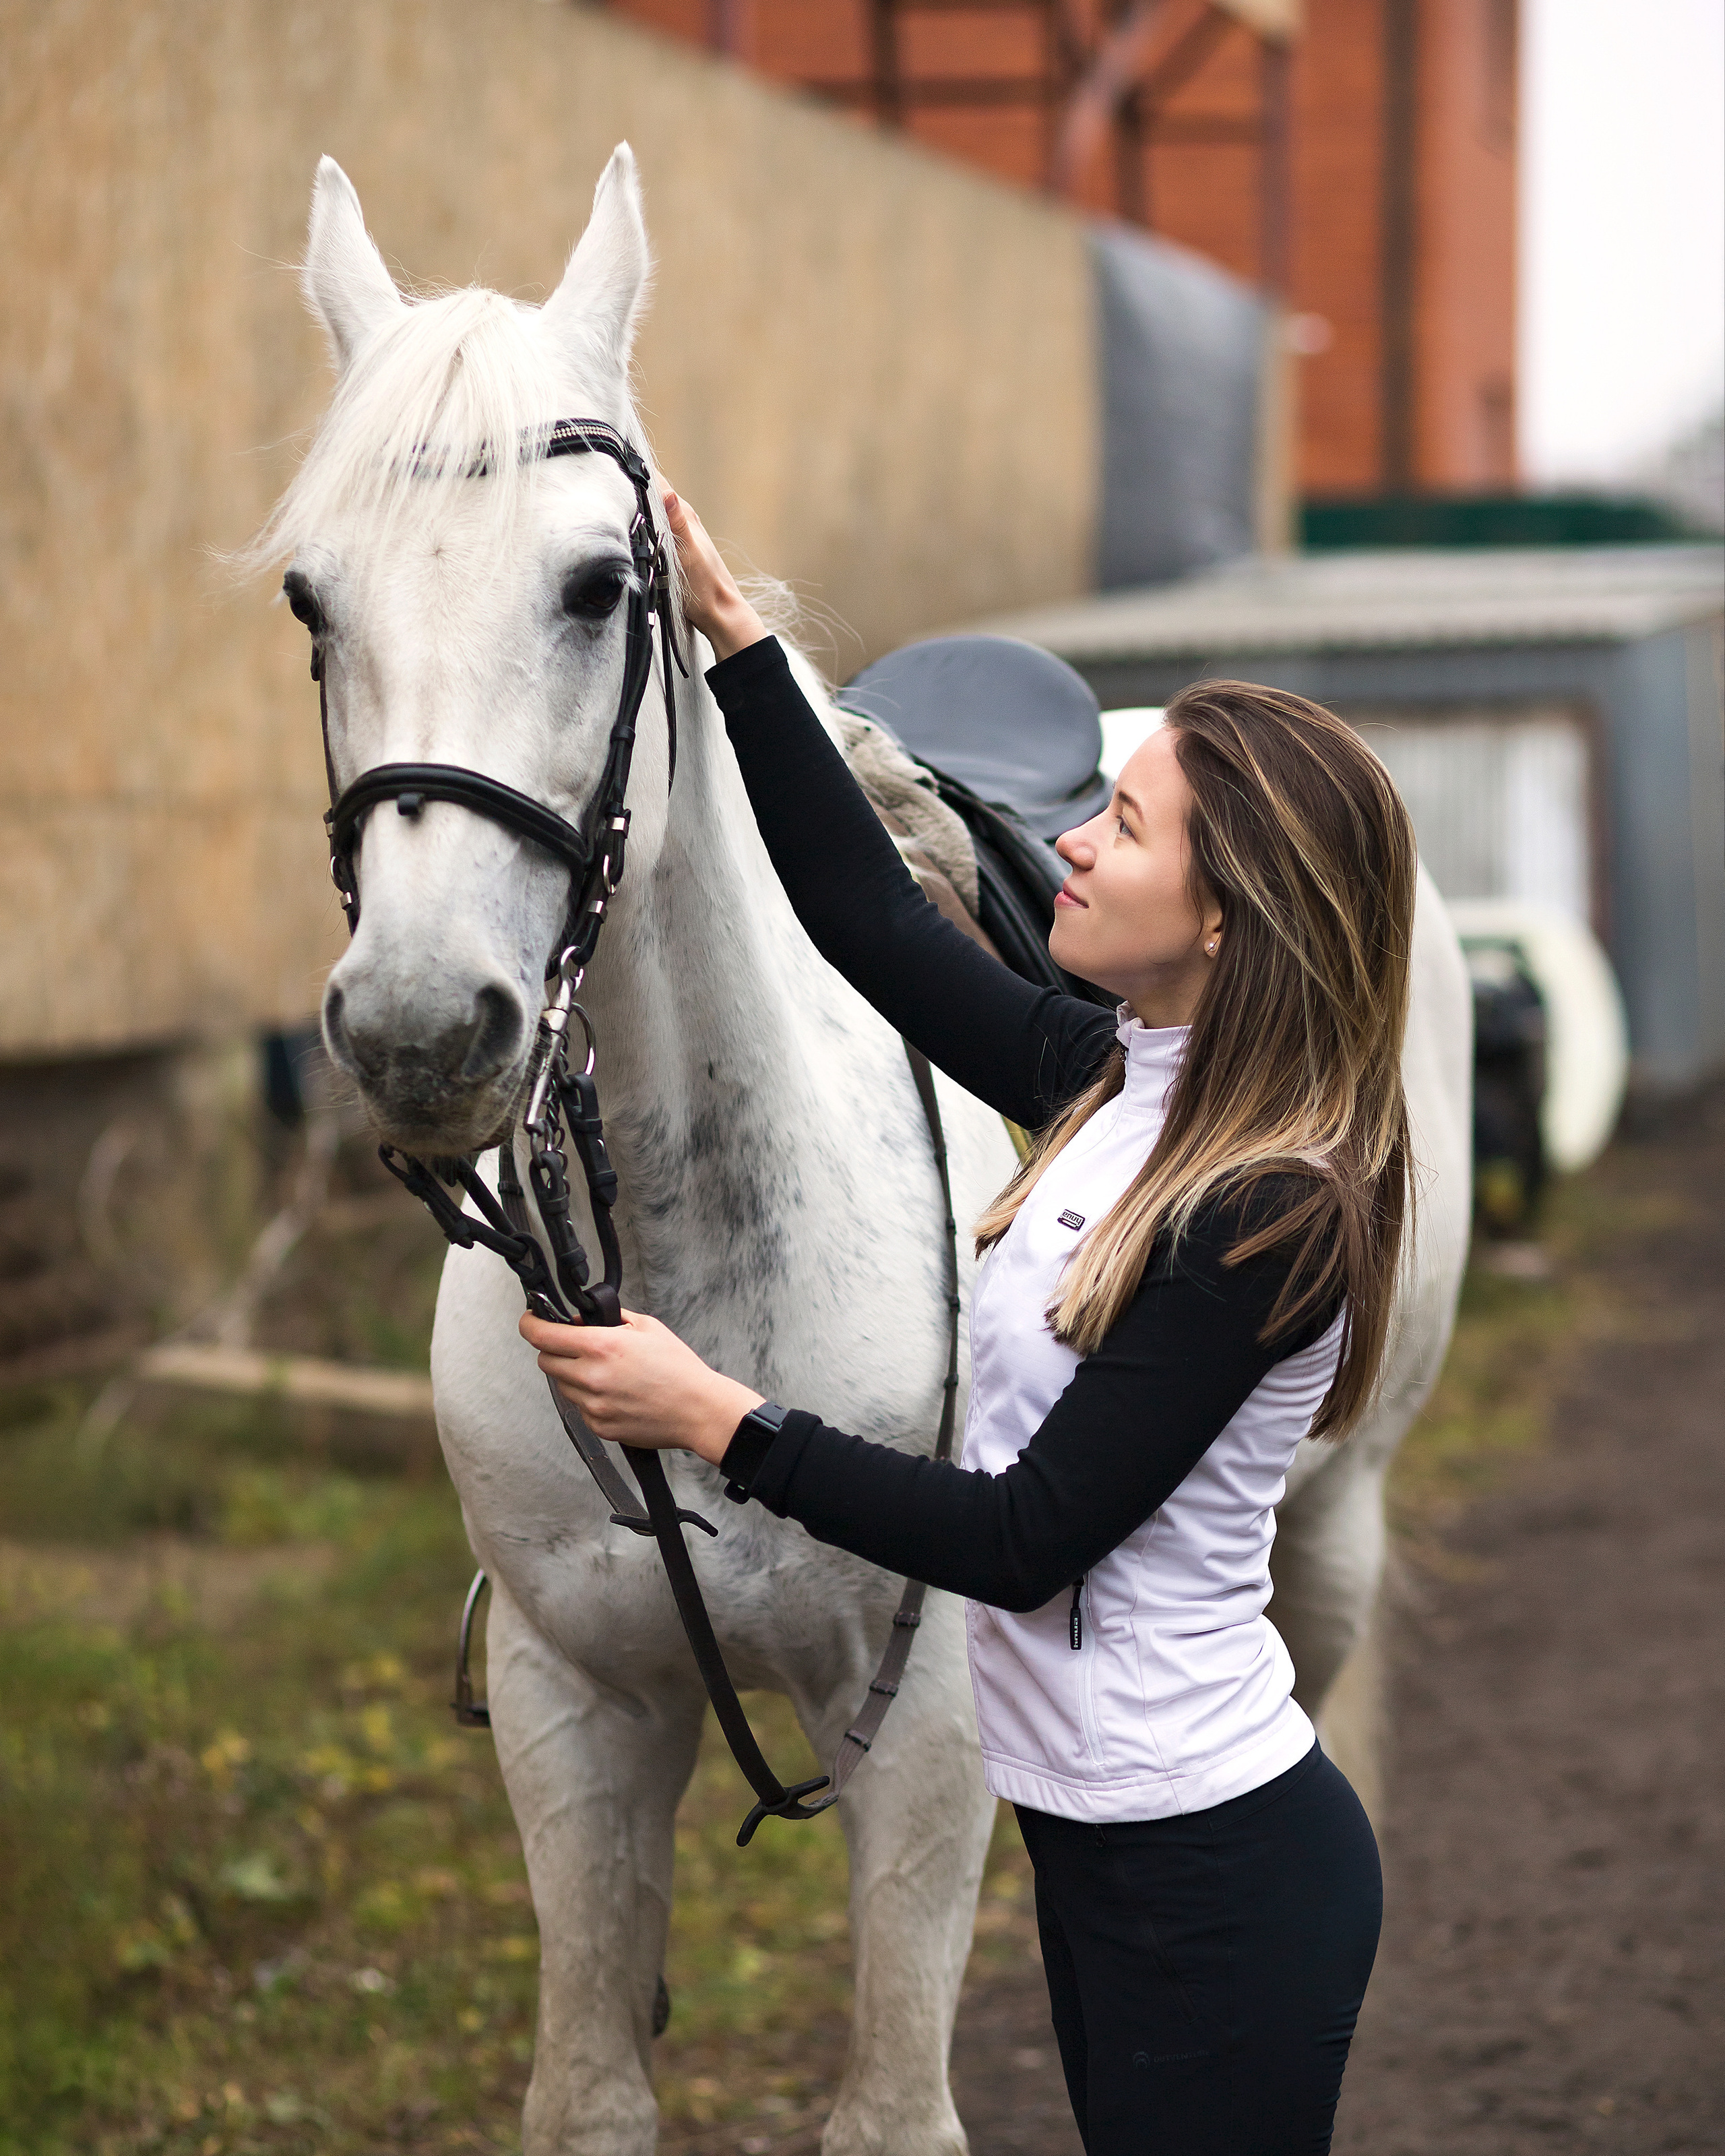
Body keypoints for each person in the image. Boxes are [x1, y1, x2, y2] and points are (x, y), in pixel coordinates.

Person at [520, 493, 1414, 2155]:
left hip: (1213, 1871)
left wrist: (713, 1415)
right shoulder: (1105, 1087)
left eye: (1124, 828)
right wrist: (737, 646)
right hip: (1112, 1848)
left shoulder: (1265, 1204)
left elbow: (1024, 1535)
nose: (1070, 840)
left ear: (1222, 915)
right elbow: (866, 923)